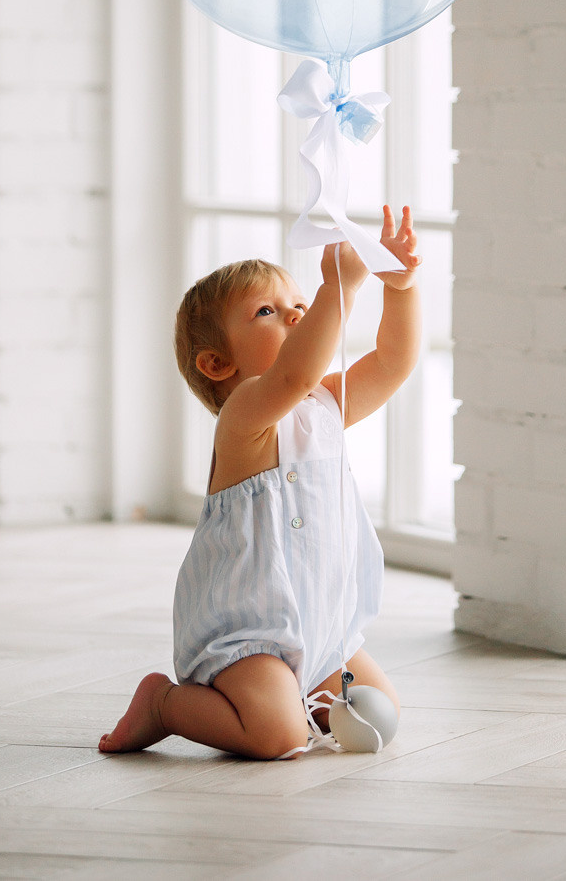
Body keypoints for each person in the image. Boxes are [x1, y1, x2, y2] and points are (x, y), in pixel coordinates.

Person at [98, 205, 421, 760]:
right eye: (269, 311)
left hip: (321, 627)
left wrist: (401, 289)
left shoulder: (323, 406)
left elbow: (392, 362)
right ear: (218, 365)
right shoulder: (245, 416)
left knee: (379, 711)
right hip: (248, 634)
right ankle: (164, 704)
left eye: (300, 305)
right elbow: (292, 372)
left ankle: (293, 693)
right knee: (278, 737)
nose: (297, 316)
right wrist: (334, 290)